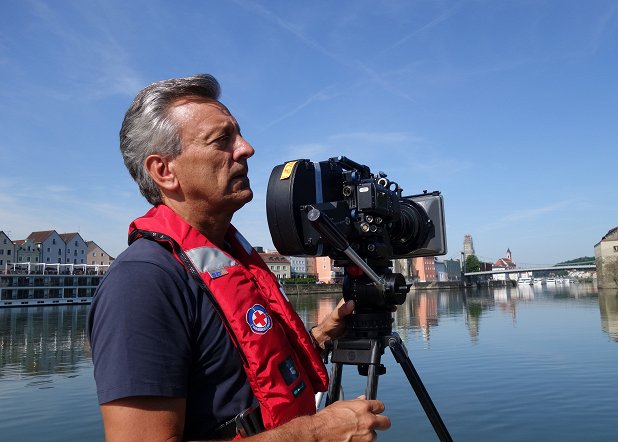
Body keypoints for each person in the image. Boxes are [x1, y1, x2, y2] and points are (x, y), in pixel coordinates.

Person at [87, 74, 391, 441]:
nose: (246, 148)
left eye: (239, 135)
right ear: (164, 171)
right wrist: (316, 432)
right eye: (222, 140)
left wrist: (320, 336)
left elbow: (239, 377)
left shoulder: (228, 258)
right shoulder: (142, 282)